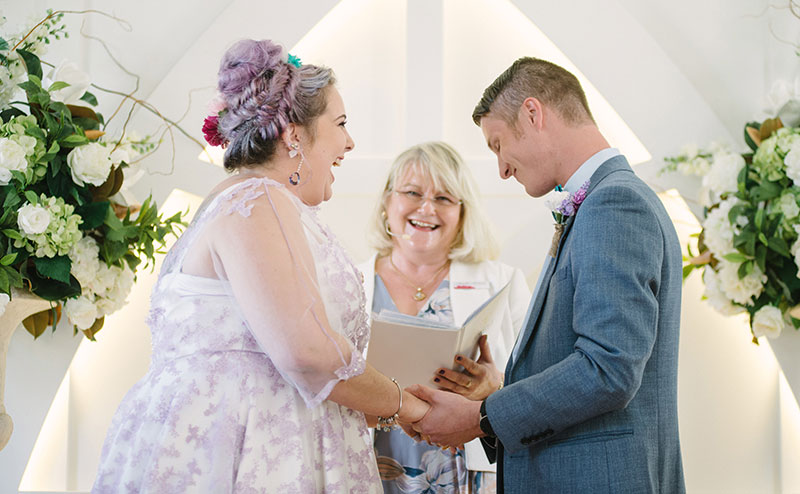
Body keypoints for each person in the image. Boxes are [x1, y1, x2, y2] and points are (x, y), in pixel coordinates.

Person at [92, 39, 429, 493]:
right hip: (245, 452)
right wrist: (410, 407)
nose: (350, 142)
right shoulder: (258, 201)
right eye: (341, 124)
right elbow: (307, 354)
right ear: (293, 133)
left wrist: (389, 405)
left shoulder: (240, 201)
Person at [407, 58, 685, 493]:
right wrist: (495, 391)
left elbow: (607, 369)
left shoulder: (614, 205)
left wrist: (481, 418)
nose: (501, 167)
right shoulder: (603, 201)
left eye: (498, 143)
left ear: (533, 114)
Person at [358, 142, 530, 493]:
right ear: (387, 202)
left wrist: (494, 388)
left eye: (444, 198)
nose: (426, 209)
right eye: (412, 193)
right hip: (368, 465)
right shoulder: (348, 281)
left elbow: (539, 388)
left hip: (466, 473)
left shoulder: (502, 282)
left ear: (462, 213)